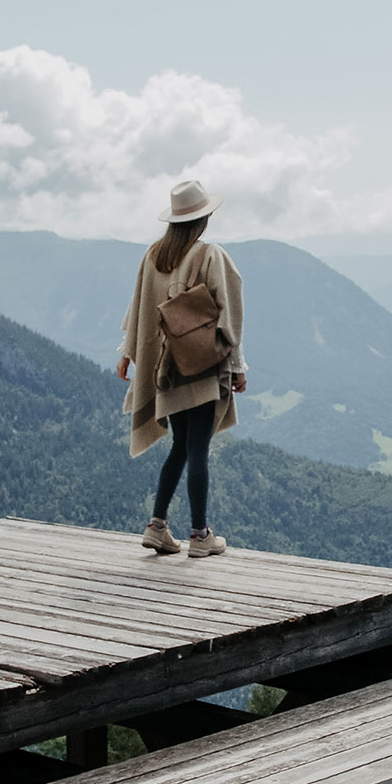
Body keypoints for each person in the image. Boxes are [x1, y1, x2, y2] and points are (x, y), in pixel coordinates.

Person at [117, 179, 247, 558]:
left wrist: (127, 353)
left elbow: (138, 305)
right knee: (199, 450)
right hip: (202, 366)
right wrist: (237, 365)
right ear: (203, 218)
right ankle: (200, 535)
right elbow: (230, 314)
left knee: (179, 446)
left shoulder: (154, 255)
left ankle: (157, 527)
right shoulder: (210, 256)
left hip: (166, 369)